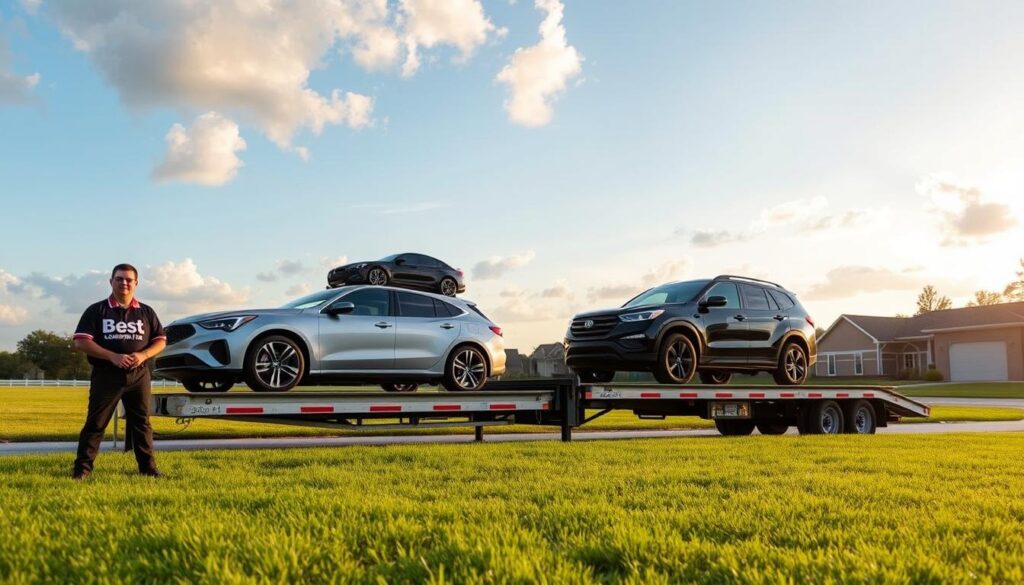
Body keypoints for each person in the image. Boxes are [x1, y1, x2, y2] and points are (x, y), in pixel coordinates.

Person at [71, 263, 167, 479]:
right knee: (96, 423)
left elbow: (161, 341)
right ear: (111, 281)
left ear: (136, 283)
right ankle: (82, 470)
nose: (124, 283)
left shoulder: (146, 312)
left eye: (129, 279)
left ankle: (148, 470)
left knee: (142, 424)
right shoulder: (97, 310)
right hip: (107, 375)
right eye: (119, 279)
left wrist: (143, 355)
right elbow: (80, 342)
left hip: (139, 375)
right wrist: (112, 356)